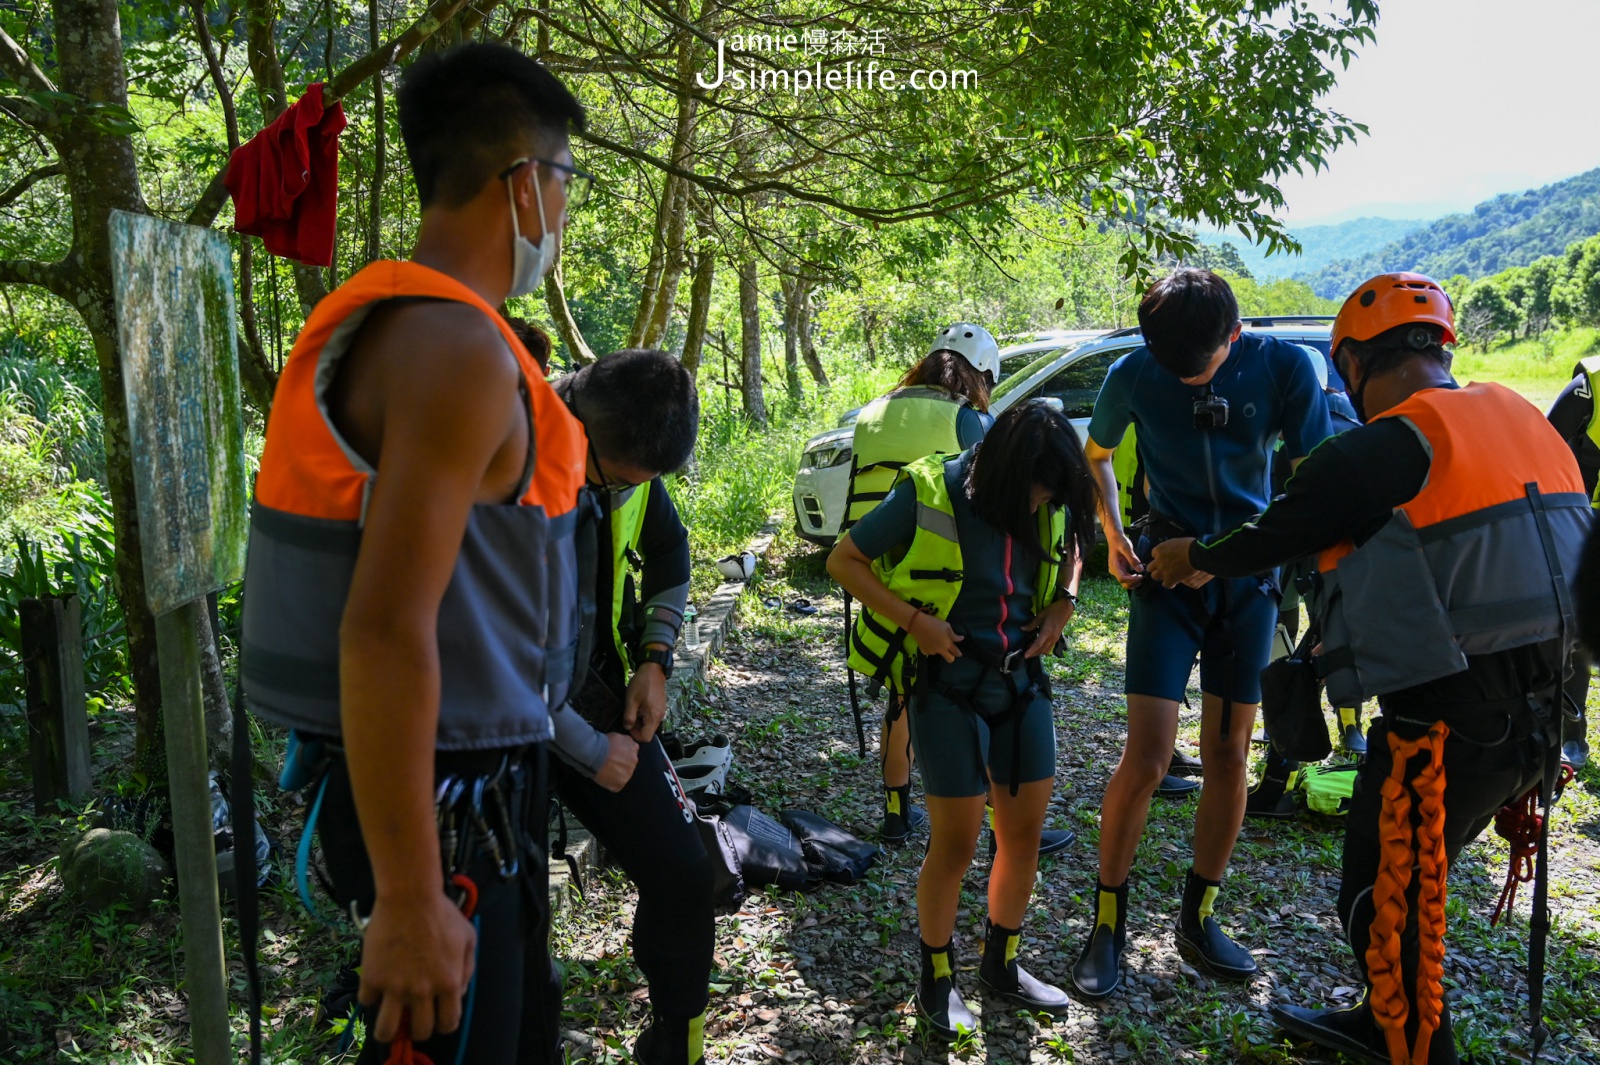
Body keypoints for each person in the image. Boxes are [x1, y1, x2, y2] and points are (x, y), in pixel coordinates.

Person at [240, 44, 589, 1063]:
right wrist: (408, 898)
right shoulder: (454, 351)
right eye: (566, 180)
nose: (566, 210)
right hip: (445, 809)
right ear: (522, 183)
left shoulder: (434, 332)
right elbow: (386, 626)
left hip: (476, 789)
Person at [1149, 272, 1590, 1064]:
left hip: (1448, 731)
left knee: (1378, 905)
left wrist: (1192, 556)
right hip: (1546, 721)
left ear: (1351, 363)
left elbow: (1274, 532)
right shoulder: (1525, 418)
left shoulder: (1385, 446)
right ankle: (1381, 1019)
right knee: (1412, 887)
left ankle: (1413, 1046)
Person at [1071, 268, 1332, 999]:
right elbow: (1096, 456)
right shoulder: (1134, 371)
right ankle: (1107, 922)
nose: (1185, 379)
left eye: (1201, 367)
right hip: (1165, 570)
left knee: (1228, 755)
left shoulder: (1286, 367)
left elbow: (1314, 484)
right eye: (1171, 367)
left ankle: (1199, 914)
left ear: (1234, 333)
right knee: (1148, 757)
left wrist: (1245, 565)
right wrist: (1114, 532)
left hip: (1248, 581)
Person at [829, 399, 1098, 1036]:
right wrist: (916, 623)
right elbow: (844, 560)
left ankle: (1002, 964)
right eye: (1033, 492)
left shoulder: (1050, 494)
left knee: (1024, 834)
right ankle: (937, 979)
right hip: (946, 686)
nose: (1040, 505)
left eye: (1051, 495)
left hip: (1023, 682)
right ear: (1003, 471)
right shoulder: (930, 490)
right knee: (956, 841)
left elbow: (1076, 548)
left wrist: (1064, 601)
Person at [842, 325, 1076, 856]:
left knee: (903, 692)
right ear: (982, 376)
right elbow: (988, 499)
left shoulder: (876, 409)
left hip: (877, 568)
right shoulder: (965, 417)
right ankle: (1003, 822)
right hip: (940, 577)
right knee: (959, 694)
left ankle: (897, 810)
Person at [549, 349, 714, 1065]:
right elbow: (481, 661)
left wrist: (656, 659)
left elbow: (670, 552)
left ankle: (677, 1041)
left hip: (591, 685)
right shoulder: (503, 463)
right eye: (617, 479)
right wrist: (588, 751)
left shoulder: (631, 452)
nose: (625, 493)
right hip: (495, 727)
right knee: (507, 913)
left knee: (684, 867)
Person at [1247, 344, 1365, 819]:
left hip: (1292, 551)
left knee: (1285, 644)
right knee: (1334, 641)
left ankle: (1282, 767)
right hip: (1350, 563)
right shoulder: (1358, 426)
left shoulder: (1291, 428)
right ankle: (1352, 730)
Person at [1544, 360, 1598, 769]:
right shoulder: (1591, 384)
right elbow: (1542, 447)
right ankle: (1569, 733)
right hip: (1583, 523)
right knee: (1577, 631)